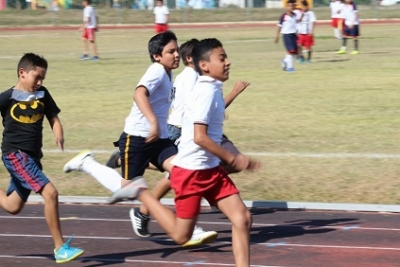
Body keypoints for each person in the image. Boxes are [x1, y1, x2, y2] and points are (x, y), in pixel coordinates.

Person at [107, 38, 261, 267]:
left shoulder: (213, 87)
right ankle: (142, 192)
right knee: (181, 236)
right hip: (192, 173)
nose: (228, 62)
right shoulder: (204, 91)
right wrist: (232, 158)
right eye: (222, 58)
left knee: (242, 218)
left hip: (210, 170)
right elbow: (200, 137)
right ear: (205, 65)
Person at [63, 31, 217, 247]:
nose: (176, 55)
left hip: (160, 140)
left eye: (176, 50)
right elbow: (139, 93)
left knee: (183, 173)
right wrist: (153, 121)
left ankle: (190, 229)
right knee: (124, 189)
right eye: (170, 52)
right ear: (157, 56)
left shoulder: (166, 72)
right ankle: (86, 163)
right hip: (137, 138)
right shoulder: (155, 71)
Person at [0, 53, 84, 264]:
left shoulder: (42, 94)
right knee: (51, 193)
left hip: (32, 158)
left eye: (43, 79)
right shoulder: (7, 97)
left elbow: (53, 117)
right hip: (15, 154)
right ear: (22, 73)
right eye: (36, 77)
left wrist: (58, 132)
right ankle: (60, 248)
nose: (39, 82)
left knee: (12, 206)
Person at [275, 0, 298, 72]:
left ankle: (285, 61)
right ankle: (290, 68)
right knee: (290, 51)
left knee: (295, 53)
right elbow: (279, 26)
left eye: (292, 6)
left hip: (293, 35)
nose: (291, 7)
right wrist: (277, 36)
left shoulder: (295, 15)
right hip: (286, 35)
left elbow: (295, 24)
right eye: (289, 6)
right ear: (286, 7)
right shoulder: (284, 16)